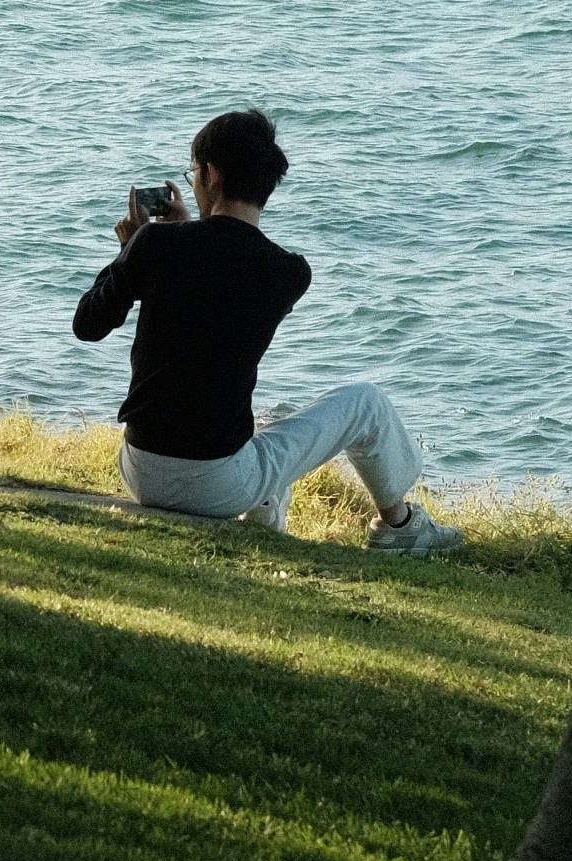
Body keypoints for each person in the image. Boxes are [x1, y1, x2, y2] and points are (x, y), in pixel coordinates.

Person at [71, 108, 465, 556]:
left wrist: (130, 250)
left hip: (142, 469)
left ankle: (265, 527)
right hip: (218, 486)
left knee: (269, 427)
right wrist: (176, 238)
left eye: (194, 170)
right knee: (364, 404)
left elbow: (88, 325)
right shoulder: (289, 273)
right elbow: (223, 285)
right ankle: (401, 525)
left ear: (212, 174)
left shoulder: (156, 245)